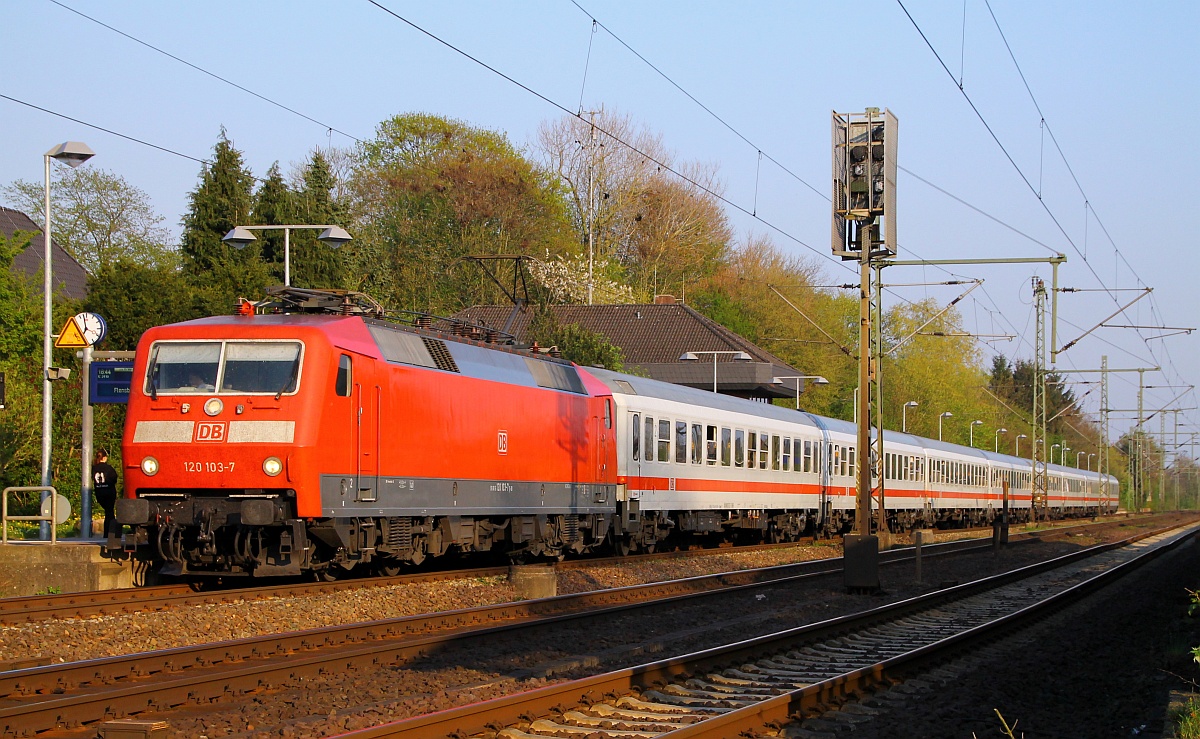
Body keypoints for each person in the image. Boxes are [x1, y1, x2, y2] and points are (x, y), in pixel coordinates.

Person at [92, 448, 119, 541]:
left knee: (108, 512)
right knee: (110, 513)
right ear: (104, 458)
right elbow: (114, 479)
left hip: (99, 492)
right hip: (109, 492)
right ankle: (110, 533)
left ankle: (109, 533)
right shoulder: (109, 468)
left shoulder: (94, 468)